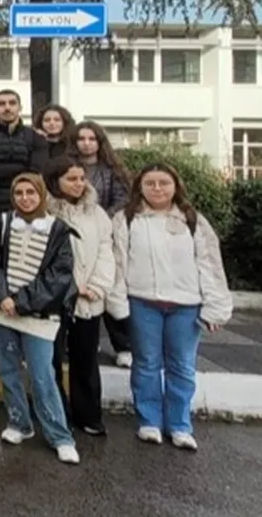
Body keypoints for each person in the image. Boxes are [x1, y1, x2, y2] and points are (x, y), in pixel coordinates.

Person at [108, 163, 232, 451]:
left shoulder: (193, 220)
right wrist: (118, 302)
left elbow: (210, 264)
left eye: (163, 183)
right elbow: (118, 262)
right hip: (143, 302)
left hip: (186, 305)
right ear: (140, 187)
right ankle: (149, 421)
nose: (157, 189)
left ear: (175, 186)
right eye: (150, 183)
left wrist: (215, 307)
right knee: (146, 364)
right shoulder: (126, 219)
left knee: (182, 366)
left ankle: (180, 425)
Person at [0, 173, 80, 465]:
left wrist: (21, 302)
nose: (24, 198)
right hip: (3, 313)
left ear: (42, 194)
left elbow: (59, 276)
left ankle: (60, 436)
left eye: (31, 192)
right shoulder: (4, 223)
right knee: (7, 371)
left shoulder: (58, 230)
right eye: (19, 193)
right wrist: (2, 296)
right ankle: (19, 422)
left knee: (42, 376)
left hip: (39, 317)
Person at [45, 156, 119, 436]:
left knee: (85, 359)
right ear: (56, 182)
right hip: (54, 299)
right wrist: (70, 287)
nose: (78, 184)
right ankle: (56, 414)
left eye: (81, 178)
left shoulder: (96, 213)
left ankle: (88, 415)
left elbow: (105, 251)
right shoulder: (45, 211)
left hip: (88, 299)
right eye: (71, 179)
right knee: (50, 360)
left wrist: (96, 287)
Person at [0, 89, 49, 345]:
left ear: (19, 107)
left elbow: (37, 171)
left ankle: (18, 315)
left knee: (19, 263)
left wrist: (5, 172)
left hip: (25, 207)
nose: (7, 107)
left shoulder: (34, 138)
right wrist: (20, 169)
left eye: (12, 103)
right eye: (1, 103)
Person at [73, 120, 132, 366]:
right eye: (81, 139)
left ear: (99, 142)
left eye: (91, 139)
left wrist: (100, 220)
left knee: (110, 290)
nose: (86, 144)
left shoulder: (112, 170)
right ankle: (90, 339)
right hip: (79, 235)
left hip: (108, 233)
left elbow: (122, 200)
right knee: (85, 290)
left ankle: (123, 346)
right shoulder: (69, 167)